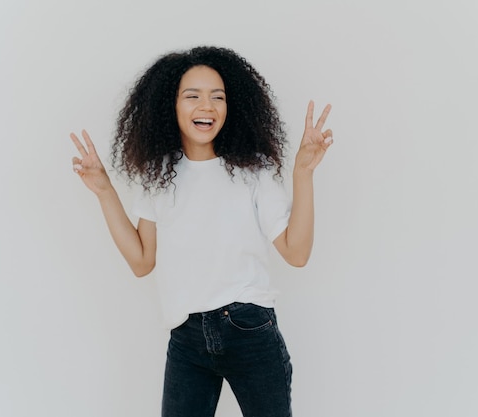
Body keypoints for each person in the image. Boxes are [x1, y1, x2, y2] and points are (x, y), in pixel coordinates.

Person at [69, 45, 333, 417]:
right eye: (192, 96)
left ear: (232, 106)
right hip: (186, 337)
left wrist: (303, 172)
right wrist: (103, 189)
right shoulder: (157, 176)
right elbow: (143, 260)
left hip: (249, 327)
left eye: (217, 97)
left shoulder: (252, 171)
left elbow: (297, 252)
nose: (206, 106)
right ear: (170, 105)